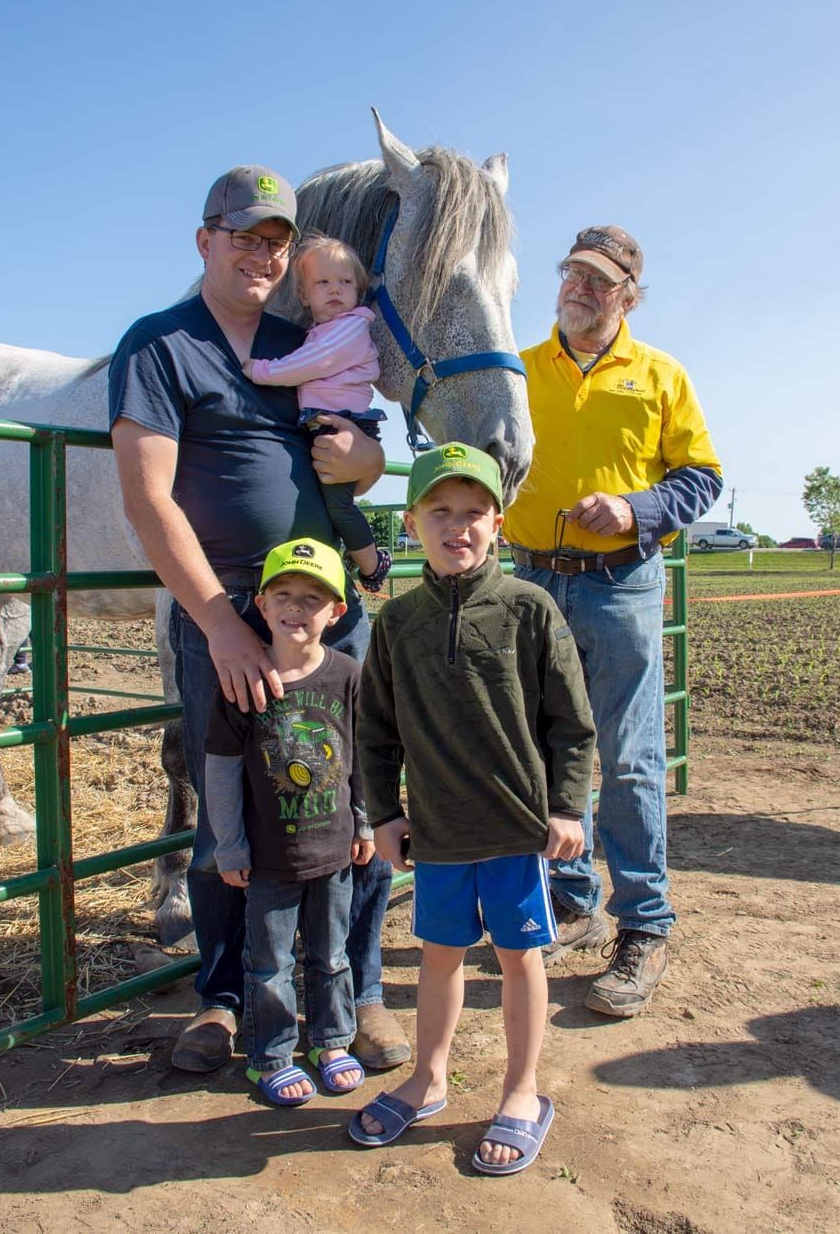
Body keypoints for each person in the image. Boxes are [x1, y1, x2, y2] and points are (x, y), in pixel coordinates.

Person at [109, 164, 410, 1074]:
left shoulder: (305, 336)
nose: (262, 255)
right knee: (228, 809)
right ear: (205, 241)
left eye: (276, 242)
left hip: (333, 616)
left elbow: (357, 430)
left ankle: (358, 995)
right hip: (232, 614)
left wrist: (366, 459)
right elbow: (149, 499)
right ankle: (224, 995)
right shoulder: (161, 346)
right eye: (243, 237)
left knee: (354, 801)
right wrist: (220, 625)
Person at [353, 444, 596, 1175]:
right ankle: (428, 1078)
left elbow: (570, 722)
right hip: (438, 830)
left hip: (517, 828)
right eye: (440, 512)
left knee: (520, 958)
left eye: (473, 513)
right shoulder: (396, 622)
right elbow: (375, 729)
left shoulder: (530, 607)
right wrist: (385, 815)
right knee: (438, 957)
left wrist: (566, 806)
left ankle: (522, 1092)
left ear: (497, 522)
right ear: (411, 522)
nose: (456, 526)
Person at [503, 226, 722, 1017]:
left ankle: (644, 926)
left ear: (629, 296)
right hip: (529, 581)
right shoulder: (517, 369)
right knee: (541, 750)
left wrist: (635, 509)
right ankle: (571, 902)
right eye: (572, 274)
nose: (580, 290)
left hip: (621, 584)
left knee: (628, 759)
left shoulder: (661, 374)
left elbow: (702, 479)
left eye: (600, 282)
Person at [205, 538, 371, 1104]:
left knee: (331, 955)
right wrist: (228, 846)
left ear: (337, 611)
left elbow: (363, 756)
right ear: (261, 603)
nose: (296, 607)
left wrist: (366, 823)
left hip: (334, 851)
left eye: (312, 597)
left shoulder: (348, 676)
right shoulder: (241, 680)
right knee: (270, 963)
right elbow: (222, 769)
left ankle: (332, 1040)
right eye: (284, 595)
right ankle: (269, 1055)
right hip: (267, 858)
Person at [242, 235, 391, 593]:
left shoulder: (350, 328)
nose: (335, 290)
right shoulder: (324, 331)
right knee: (327, 502)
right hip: (326, 421)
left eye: (345, 282)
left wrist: (259, 370)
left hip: (342, 424)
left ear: (358, 290)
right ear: (305, 296)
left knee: (338, 506)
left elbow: (308, 365)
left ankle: (373, 565)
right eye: (323, 283)